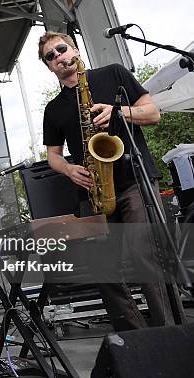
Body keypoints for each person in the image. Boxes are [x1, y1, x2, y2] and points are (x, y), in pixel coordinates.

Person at [39, 31, 180, 331]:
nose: (57, 57)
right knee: (103, 269)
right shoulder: (53, 109)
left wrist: (119, 111)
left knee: (142, 255)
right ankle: (136, 338)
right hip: (95, 192)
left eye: (60, 49)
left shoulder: (113, 74)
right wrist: (68, 169)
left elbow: (153, 113)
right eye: (49, 57)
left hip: (132, 180)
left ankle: (169, 333)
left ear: (74, 49)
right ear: (49, 67)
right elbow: (53, 155)